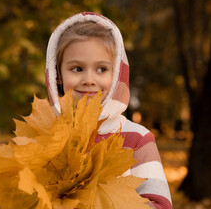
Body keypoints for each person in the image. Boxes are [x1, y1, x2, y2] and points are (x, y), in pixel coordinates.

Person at [45, 12, 173, 209]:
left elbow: (160, 205)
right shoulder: (47, 137)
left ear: (116, 74)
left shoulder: (138, 139)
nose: (89, 79)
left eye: (101, 69)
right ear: (58, 75)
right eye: (77, 69)